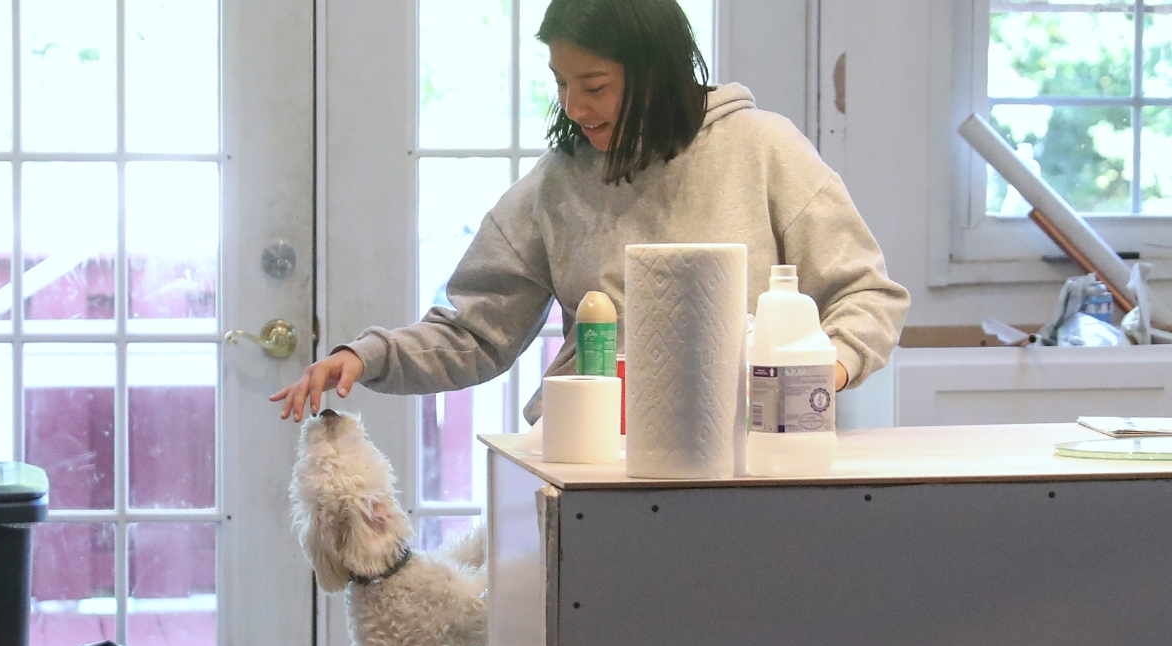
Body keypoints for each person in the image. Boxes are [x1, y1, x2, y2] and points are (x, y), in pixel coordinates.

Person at [273, 0, 909, 423]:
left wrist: (822, 372)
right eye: (560, 83)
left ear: (656, 71)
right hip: (592, 467)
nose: (574, 106)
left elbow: (867, 294)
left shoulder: (764, 147)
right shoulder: (557, 185)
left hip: (750, 463)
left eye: (595, 85)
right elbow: (476, 334)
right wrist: (365, 356)